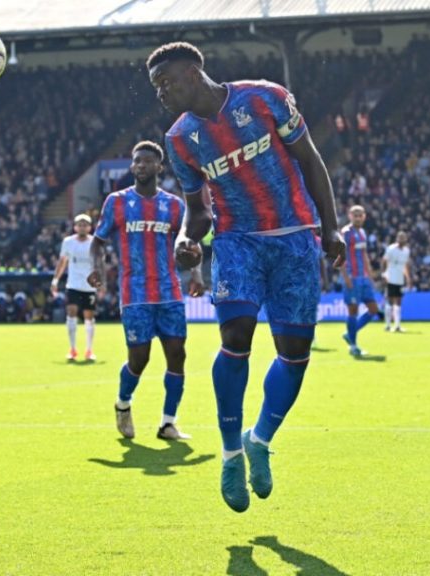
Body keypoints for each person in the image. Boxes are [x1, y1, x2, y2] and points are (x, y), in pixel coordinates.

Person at [147, 42, 345, 512]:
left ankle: (261, 439)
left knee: (294, 354)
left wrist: (332, 225)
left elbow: (310, 160)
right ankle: (232, 450)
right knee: (236, 335)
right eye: (156, 87)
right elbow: (198, 211)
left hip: (296, 236)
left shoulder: (263, 97)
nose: (162, 93)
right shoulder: (179, 141)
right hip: (237, 241)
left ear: (194, 72)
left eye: (167, 81)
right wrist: (182, 240)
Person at [88, 141, 205, 441]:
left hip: (169, 292)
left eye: (147, 161)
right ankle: (123, 403)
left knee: (177, 355)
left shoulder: (175, 205)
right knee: (140, 359)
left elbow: (191, 242)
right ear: (132, 166)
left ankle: (168, 423)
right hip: (135, 293)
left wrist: (196, 273)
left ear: (159, 167)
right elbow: (97, 241)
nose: (140, 165)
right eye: (137, 161)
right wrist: (96, 269)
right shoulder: (117, 202)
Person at [51, 214, 99, 361]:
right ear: (75, 227)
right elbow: (62, 261)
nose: (82, 227)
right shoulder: (68, 242)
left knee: (88, 317)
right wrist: (55, 280)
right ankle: (72, 349)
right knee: (71, 313)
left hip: (89, 286)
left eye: (85, 224)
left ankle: (89, 350)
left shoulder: (95, 242)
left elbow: (99, 264)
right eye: (80, 224)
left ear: (90, 227)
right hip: (73, 284)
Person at [341, 205, 381, 355]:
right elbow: (339, 255)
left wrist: (370, 277)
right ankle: (353, 346)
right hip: (352, 277)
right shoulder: (346, 233)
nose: (358, 218)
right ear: (350, 216)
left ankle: (349, 334)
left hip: (363, 278)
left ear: (364, 216)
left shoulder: (362, 232)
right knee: (353, 311)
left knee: (373, 309)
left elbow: (364, 256)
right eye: (355, 215)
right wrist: (346, 277)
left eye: (360, 215)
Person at [382, 231, 413, 332]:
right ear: (397, 239)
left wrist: (408, 278)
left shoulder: (406, 251)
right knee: (390, 301)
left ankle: (397, 325)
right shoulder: (391, 249)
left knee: (398, 301)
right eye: (400, 238)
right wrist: (384, 274)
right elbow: (384, 261)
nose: (401, 240)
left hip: (400, 279)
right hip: (390, 277)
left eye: (403, 238)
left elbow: (405, 266)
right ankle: (387, 325)